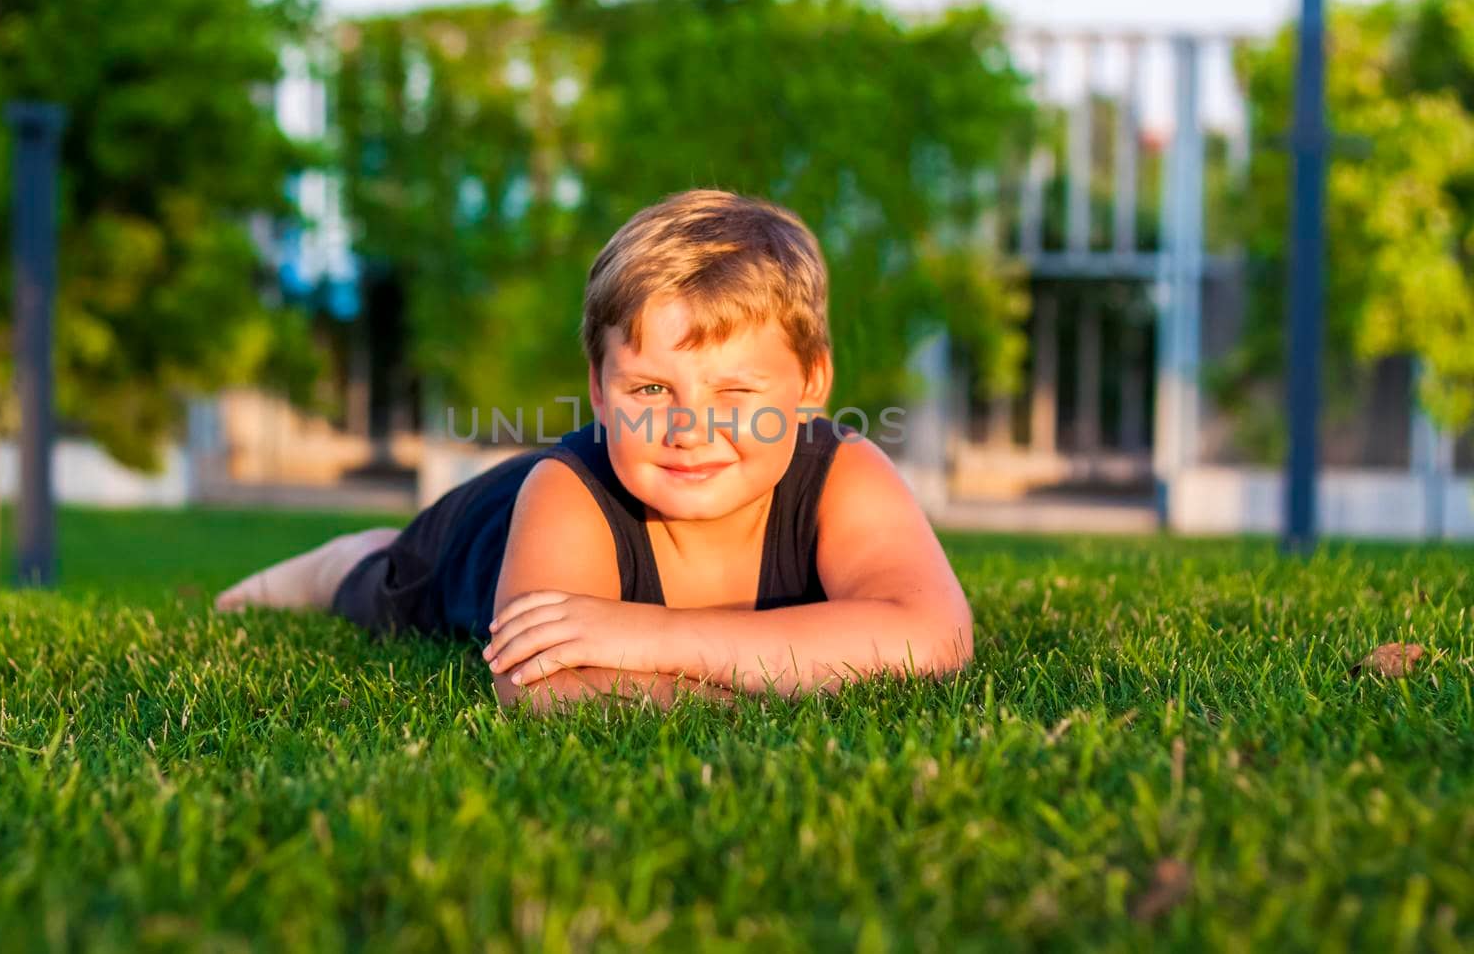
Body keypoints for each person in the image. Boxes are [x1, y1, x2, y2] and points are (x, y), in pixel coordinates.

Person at [215, 188, 973, 712]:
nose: (689, 429)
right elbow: (540, 687)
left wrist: (652, 637)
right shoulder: (567, 496)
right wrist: (784, 678)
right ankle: (319, 565)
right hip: (477, 531)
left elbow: (931, 632)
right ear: (601, 389)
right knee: (376, 576)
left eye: (735, 395)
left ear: (811, 383)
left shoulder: (844, 472)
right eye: (649, 391)